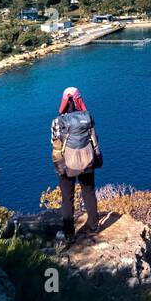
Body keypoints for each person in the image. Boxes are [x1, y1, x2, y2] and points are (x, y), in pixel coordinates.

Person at [50, 86, 102, 242]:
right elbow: (94, 138)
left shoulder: (58, 121)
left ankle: (69, 233)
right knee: (89, 192)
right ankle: (93, 227)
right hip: (87, 160)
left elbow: (54, 141)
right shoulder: (88, 117)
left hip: (67, 163)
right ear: (79, 99)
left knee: (67, 197)